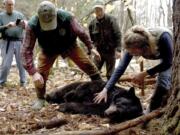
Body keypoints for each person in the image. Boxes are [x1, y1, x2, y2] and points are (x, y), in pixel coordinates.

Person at [21, 1, 102, 110]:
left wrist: (91, 47)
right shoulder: (32, 25)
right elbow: (26, 50)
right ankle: (40, 98)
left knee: (87, 64)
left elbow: (81, 32)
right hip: (48, 50)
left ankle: (102, 87)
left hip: (70, 45)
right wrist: (33, 72)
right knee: (40, 74)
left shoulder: (67, 17)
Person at [94, 25, 173, 112]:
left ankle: (152, 110)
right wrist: (106, 89)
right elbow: (120, 68)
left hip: (171, 55)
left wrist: (144, 73)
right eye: (129, 51)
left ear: (143, 47)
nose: (131, 54)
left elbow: (168, 62)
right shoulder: (132, 44)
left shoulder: (164, 38)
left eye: (133, 52)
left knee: (163, 79)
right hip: (165, 59)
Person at [88, 0, 121, 80]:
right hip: (98, 52)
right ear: (94, 11)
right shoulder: (92, 24)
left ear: (104, 9)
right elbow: (90, 40)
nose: (98, 11)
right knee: (94, 72)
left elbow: (118, 34)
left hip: (110, 51)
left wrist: (118, 50)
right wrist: (91, 51)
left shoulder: (111, 20)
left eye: (100, 9)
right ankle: (96, 89)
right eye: (96, 10)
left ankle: (109, 90)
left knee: (110, 74)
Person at [0, 0, 27, 88]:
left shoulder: (19, 15)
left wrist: (24, 24)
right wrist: (6, 26)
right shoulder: (1, 16)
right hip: (7, 42)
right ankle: (2, 81)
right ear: (5, 5)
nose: (10, 6)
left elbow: (27, 26)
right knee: (6, 64)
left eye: (12, 5)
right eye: (8, 5)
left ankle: (23, 82)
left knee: (21, 63)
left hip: (19, 41)